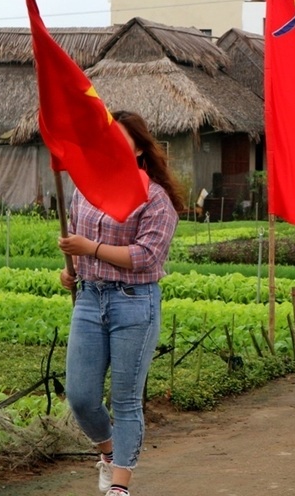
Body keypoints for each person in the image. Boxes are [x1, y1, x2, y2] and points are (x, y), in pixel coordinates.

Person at [58, 111, 185, 496]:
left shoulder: (155, 198)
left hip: (134, 302)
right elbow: (77, 249)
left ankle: (120, 486)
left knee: (125, 398)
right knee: (80, 396)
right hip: (90, 297)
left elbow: (147, 256)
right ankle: (110, 453)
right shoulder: (85, 190)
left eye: (122, 138)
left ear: (140, 149)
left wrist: (90, 248)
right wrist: (71, 269)